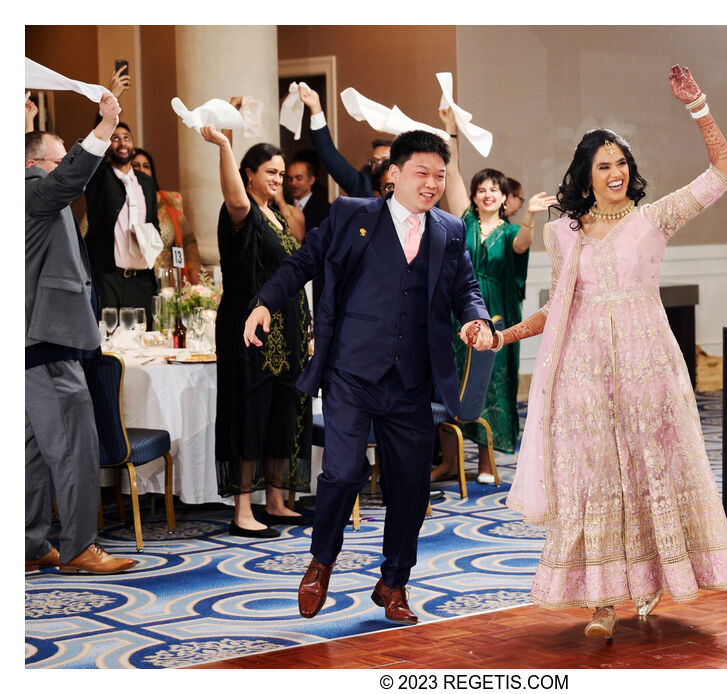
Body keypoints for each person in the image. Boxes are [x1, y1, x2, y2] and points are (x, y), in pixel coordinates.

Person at [479, 65, 727, 640]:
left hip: (649, 368)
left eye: (621, 162)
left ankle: (650, 583)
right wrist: (503, 337)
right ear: (585, 175)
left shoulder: (655, 218)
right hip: (584, 373)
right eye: (605, 165)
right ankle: (602, 604)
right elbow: (560, 312)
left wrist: (697, 105)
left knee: (650, 472)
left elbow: (724, 171)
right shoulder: (563, 233)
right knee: (596, 480)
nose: (616, 172)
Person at [242, 129, 493, 624]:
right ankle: (321, 562)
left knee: (411, 487)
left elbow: (466, 286)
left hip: (413, 381)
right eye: (422, 173)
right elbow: (303, 262)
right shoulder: (351, 215)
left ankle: (394, 582)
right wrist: (265, 303)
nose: (432, 184)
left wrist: (475, 318)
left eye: (440, 175)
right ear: (394, 173)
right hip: (351, 373)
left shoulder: (449, 230)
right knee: (342, 472)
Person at [26, 91, 136, 575]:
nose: (66, 168)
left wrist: (27, 116)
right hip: (46, 339)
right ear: (37, 163)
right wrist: (104, 125)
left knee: (32, 451)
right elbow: (68, 177)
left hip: (32, 339)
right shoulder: (32, 183)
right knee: (73, 444)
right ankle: (76, 547)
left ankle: (28, 546)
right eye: (58, 158)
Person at [431, 108, 556, 484]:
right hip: (458, 312)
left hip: (497, 315)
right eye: (481, 189)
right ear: (474, 196)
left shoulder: (511, 230)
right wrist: (450, 131)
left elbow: (523, 246)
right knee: (449, 380)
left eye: (494, 190)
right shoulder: (463, 221)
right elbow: (450, 172)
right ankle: (451, 461)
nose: (487, 194)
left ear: (505, 197)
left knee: (491, 385)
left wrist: (531, 216)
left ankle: (487, 461)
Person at [198, 127, 311, 538]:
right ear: (248, 174)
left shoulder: (277, 216)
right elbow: (233, 197)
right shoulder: (241, 212)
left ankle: (276, 501)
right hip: (248, 330)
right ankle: (243, 510)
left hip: (286, 331)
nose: (278, 179)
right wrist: (225, 147)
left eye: (281, 173)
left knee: (280, 411)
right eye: (269, 172)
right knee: (249, 411)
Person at [83, 119, 160, 329]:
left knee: (145, 341)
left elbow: (154, 224)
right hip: (109, 277)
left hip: (142, 279)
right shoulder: (99, 177)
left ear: (133, 144)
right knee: (110, 342)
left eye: (126, 138)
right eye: (114, 139)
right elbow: (92, 149)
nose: (122, 143)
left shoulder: (146, 182)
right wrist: (105, 114)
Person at [297, 85, 390, 198]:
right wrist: (315, 107)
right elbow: (329, 155)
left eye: (384, 161)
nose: (377, 165)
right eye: (374, 161)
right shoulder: (361, 184)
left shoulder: (410, 185)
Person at [131, 148, 202, 285]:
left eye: (146, 166)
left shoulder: (170, 200)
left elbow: (187, 239)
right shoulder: (118, 201)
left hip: (169, 281)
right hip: (135, 280)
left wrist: (194, 271)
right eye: (136, 166)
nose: (141, 170)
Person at [286, 159, 330, 231]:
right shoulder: (283, 205)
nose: (293, 183)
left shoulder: (324, 209)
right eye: (290, 179)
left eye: (299, 178)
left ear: (311, 180)